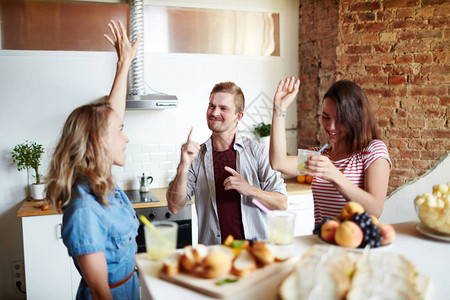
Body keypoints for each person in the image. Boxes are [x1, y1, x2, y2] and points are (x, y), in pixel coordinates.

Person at [45, 20, 141, 299]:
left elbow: (112, 117)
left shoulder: (101, 185)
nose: (126, 138)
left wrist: (124, 64)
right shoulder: (84, 207)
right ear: (99, 141)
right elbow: (100, 292)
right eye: (120, 132)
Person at [167, 81, 287, 245]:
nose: (214, 112)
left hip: (254, 251)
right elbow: (174, 206)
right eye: (211, 106)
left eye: (223, 108)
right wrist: (184, 165)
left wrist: (249, 189)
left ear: (239, 116)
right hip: (214, 255)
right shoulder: (195, 157)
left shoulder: (257, 152)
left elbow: (282, 203)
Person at [270, 77, 391, 224]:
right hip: (323, 241)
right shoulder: (320, 155)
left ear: (355, 118)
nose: (331, 126)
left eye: (340, 119)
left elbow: (375, 209)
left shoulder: (372, 150)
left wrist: (334, 175)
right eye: (326, 117)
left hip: (355, 244)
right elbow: (278, 163)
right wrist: (279, 110)